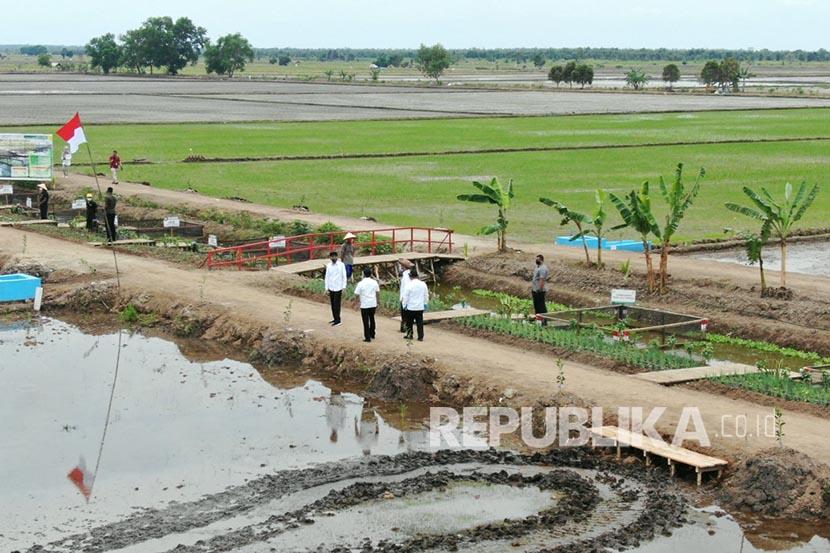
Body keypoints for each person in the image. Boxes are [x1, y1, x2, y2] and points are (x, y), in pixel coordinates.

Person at [352, 267, 379, 342]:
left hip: (365, 304)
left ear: (363, 274)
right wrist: (378, 302)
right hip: (373, 303)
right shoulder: (374, 282)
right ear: (371, 274)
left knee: (365, 321)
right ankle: (372, 333)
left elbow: (356, 295)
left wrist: (355, 303)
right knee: (372, 318)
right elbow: (377, 293)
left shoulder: (360, 283)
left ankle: (367, 337)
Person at [402, 267, 429, 342]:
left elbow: (405, 297)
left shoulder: (409, 285)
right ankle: (420, 336)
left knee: (409, 322)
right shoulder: (423, 284)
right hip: (420, 307)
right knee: (419, 322)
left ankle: (410, 335)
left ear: (410, 276)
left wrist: (404, 305)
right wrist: (425, 303)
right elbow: (426, 295)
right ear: (417, 276)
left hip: (411, 307)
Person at [324, 251, 347, 326]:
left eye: (334, 256)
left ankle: (338, 320)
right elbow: (327, 277)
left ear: (337, 257)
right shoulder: (329, 266)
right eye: (332, 256)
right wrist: (326, 288)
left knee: (337, 304)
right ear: (330, 257)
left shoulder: (341, 265)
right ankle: (335, 318)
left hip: (338, 287)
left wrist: (344, 287)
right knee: (333, 304)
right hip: (331, 287)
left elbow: (344, 276)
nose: (333, 258)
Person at [532, 254, 550, 326]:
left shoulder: (543, 268)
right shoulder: (537, 267)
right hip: (535, 289)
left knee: (541, 306)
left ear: (541, 260)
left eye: (538, 259)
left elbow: (542, 280)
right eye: (536, 259)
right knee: (536, 306)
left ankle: (544, 322)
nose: (536, 260)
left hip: (539, 291)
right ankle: (538, 321)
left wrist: (539, 289)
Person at [398, 259, 413, 333]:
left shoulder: (405, 276)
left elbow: (406, 288)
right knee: (406, 314)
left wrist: (403, 298)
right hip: (409, 297)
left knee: (404, 314)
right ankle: (404, 327)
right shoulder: (409, 274)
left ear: (403, 267)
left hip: (405, 297)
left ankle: (404, 328)